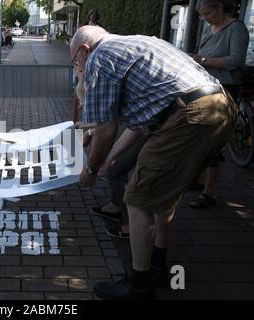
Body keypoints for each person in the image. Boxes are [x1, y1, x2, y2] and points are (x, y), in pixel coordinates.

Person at [71, 25, 237, 299]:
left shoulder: (100, 57)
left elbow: (105, 127)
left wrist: (90, 168)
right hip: (219, 108)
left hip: (188, 117)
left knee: (137, 199)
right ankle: (159, 267)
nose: (78, 66)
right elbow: (141, 123)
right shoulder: (139, 42)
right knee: (164, 197)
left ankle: (139, 286)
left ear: (85, 49)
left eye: (76, 60)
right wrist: (110, 159)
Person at [188, 0, 249, 209]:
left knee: (212, 142)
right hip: (205, 88)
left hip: (224, 91)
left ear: (220, 8)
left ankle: (209, 192)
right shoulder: (209, 28)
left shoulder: (236, 29)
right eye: (202, 15)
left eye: (207, 14)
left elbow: (236, 60)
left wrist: (201, 60)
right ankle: (199, 181)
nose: (205, 18)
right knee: (199, 138)